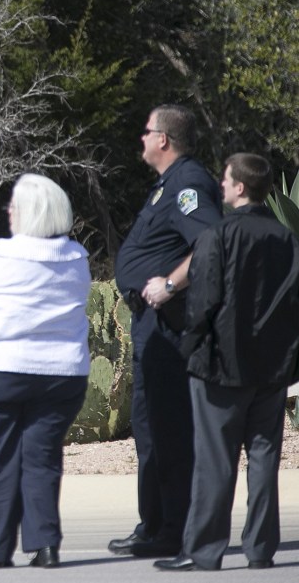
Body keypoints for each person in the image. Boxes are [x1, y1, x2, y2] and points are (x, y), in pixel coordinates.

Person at [154, 154, 299, 571]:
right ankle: (260, 549)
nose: (220, 184)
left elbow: (203, 300)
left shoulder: (217, 236)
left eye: (226, 179)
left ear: (239, 187)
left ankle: (204, 550)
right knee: (264, 456)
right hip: (271, 369)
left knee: (216, 460)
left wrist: (189, 347)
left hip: (220, 365)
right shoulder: (287, 240)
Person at [0, 173, 90, 569]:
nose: (8, 212)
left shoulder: (0, 254)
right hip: (62, 374)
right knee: (42, 457)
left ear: (28, 213)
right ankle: (45, 544)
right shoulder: (77, 256)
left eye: (13, 206)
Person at [111, 105, 223, 557]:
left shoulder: (189, 183)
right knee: (149, 426)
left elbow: (211, 243)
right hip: (149, 327)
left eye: (146, 131)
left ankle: (176, 528)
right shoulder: (167, 185)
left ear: (164, 140)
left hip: (170, 325)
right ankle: (154, 523)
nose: (141, 139)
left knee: (171, 430)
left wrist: (171, 283)